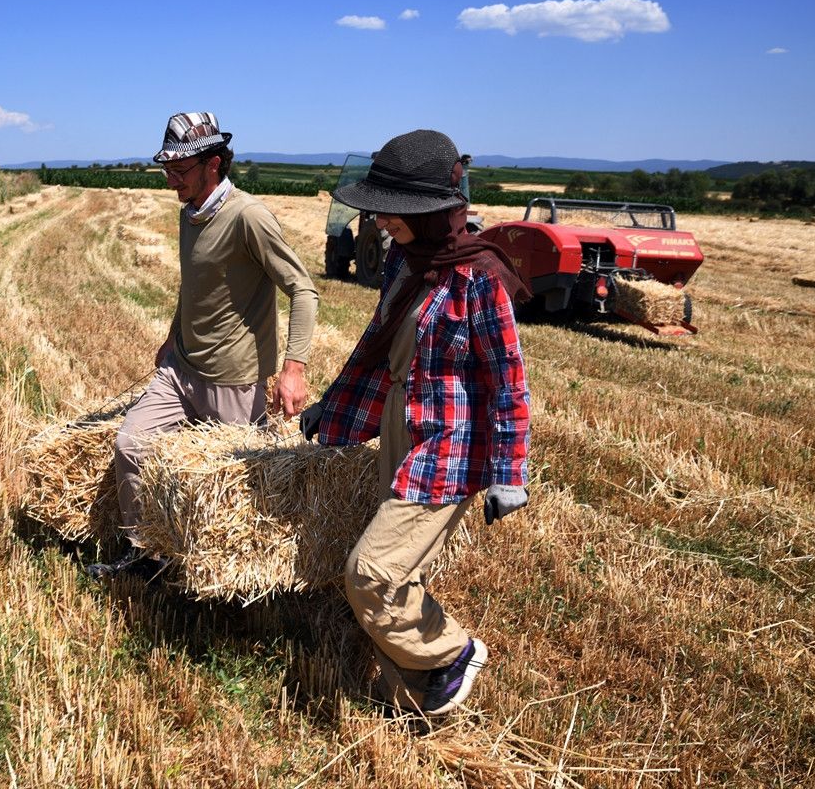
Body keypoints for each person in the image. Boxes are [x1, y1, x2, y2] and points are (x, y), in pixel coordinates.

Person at [299, 129, 531, 715]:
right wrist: (334, 402)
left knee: (372, 574)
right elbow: (379, 343)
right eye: (379, 208)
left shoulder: (479, 277)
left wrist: (510, 471)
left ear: (432, 210)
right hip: (401, 425)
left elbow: (507, 382)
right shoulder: (406, 261)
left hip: (448, 446)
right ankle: (411, 696)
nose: (379, 220)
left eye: (393, 211)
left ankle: (452, 653)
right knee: (404, 573)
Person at [89, 111, 319, 578]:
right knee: (131, 445)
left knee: (231, 487)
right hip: (181, 369)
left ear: (213, 164)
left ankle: (224, 586)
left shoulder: (248, 217)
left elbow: (303, 289)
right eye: (167, 170)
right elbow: (193, 286)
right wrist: (172, 338)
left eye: (179, 170)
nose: (171, 180)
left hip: (232, 380)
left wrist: (293, 367)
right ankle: (144, 555)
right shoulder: (189, 213)